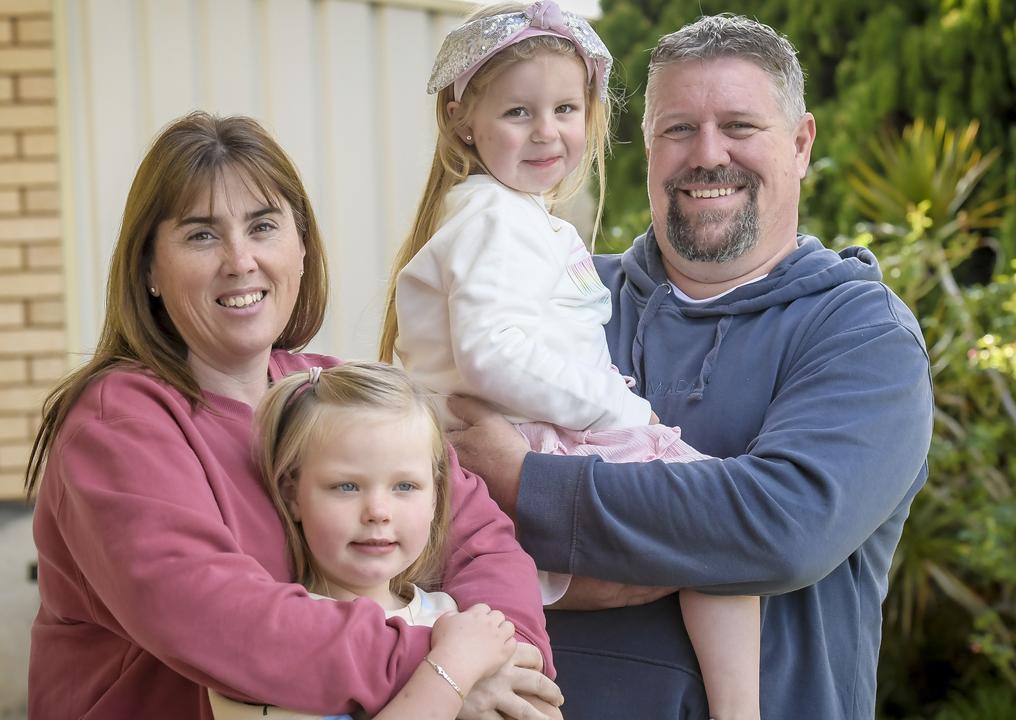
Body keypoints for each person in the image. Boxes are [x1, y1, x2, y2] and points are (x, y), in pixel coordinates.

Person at [447, 13, 935, 720]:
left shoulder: (860, 334)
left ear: (800, 145)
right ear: (646, 146)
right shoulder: (561, 299)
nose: (708, 154)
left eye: (740, 126)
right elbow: (430, 503)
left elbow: (778, 525)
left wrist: (530, 486)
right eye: (678, 129)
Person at [25, 112, 562, 720]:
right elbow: (216, 619)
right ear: (149, 267)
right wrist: (446, 671)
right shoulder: (116, 423)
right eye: (202, 235)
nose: (240, 260)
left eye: (263, 227)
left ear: (301, 246)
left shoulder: (333, 394)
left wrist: (507, 659)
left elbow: (480, 542)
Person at [379, 2, 759, 718]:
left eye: (564, 108)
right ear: (463, 118)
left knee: (712, 536)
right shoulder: (493, 218)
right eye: (519, 112)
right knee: (721, 526)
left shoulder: (518, 216)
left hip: (526, 438)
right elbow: (493, 357)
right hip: (521, 442)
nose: (547, 132)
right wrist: (614, 411)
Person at [210, 362, 522, 719]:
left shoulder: (457, 620)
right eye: (347, 486)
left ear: (435, 498)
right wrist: (453, 667)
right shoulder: (283, 641)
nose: (378, 511)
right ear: (293, 494)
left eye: (405, 486)